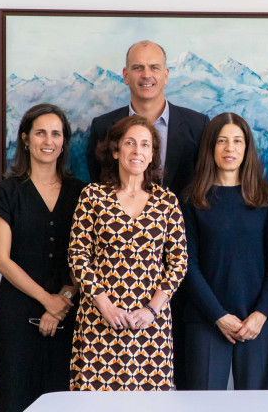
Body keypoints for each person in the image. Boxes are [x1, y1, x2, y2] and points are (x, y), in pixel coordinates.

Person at [85, 40, 207, 389]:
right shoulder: (102, 126)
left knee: (177, 378)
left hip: (182, 268)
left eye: (154, 67)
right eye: (138, 67)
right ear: (125, 75)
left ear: (167, 74)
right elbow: (101, 202)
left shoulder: (198, 126)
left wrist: (160, 296)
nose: (146, 74)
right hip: (112, 284)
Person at [69, 115, 188, 391]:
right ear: (115, 150)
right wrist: (105, 306)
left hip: (150, 325)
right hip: (99, 320)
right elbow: (78, 255)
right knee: (94, 405)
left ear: (152, 155)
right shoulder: (92, 196)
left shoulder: (166, 201)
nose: (137, 151)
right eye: (130, 143)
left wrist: (151, 310)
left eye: (145, 145)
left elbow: (179, 263)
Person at [0, 104, 85, 412]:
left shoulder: (82, 193)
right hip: (16, 319)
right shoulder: (5, 193)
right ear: (25, 139)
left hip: (71, 317)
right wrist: (47, 300)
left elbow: (88, 258)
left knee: (66, 403)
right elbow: (2, 260)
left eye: (56, 134)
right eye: (40, 133)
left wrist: (62, 300)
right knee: (16, 400)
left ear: (64, 141)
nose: (48, 141)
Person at [181, 113, 268, 390]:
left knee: (256, 406)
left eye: (238, 141)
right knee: (203, 405)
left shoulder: (264, 199)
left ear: (247, 148)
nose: (230, 148)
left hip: (256, 321)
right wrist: (218, 315)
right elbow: (187, 266)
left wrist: (261, 313)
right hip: (205, 319)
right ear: (210, 148)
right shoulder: (192, 200)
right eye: (222, 141)